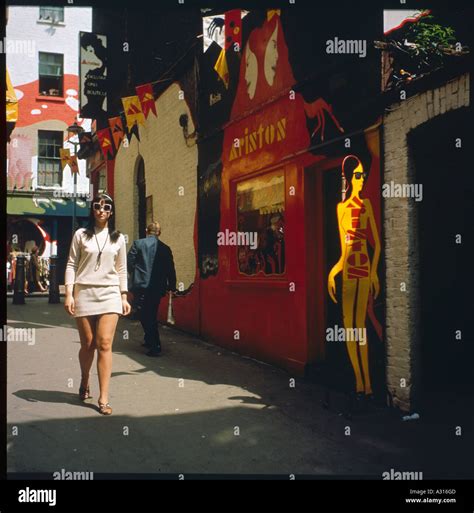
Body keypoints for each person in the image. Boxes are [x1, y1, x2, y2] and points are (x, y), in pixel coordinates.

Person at [64, 193, 131, 415]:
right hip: (84, 293)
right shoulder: (81, 235)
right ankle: (84, 380)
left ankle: (103, 397)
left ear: (112, 211)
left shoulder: (119, 238)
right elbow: (72, 264)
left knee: (104, 343)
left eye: (106, 207)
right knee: (89, 344)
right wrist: (69, 294)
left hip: (110, 294)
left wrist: (123, 295)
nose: (102, 210)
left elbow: (122, 268)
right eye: (97, 206)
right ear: (93, 209)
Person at [327, 155, 380, 399]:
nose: (361, 179)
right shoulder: (340, 209)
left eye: (362, 175)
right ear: (349, 179)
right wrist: (332, 272)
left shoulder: (366, 206)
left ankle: (368, 383)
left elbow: (376, 245)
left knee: (360, 327)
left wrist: (374, 272)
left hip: (363, 269)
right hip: (347, 270)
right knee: (351, 329)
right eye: (357, 176)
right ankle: (359, 382)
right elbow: (342, 251)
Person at [127, 222, 176, 357]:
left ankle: (155, 345)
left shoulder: (138, 244)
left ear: (146, 230)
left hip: (141, 286)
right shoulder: (165, 248)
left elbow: (129, 262)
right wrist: (172, 286)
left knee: (144, 315)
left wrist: (136, 274)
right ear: (159, 233)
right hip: (157, 287)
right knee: (151, 314)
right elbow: (170, 269)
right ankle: (150, 340)